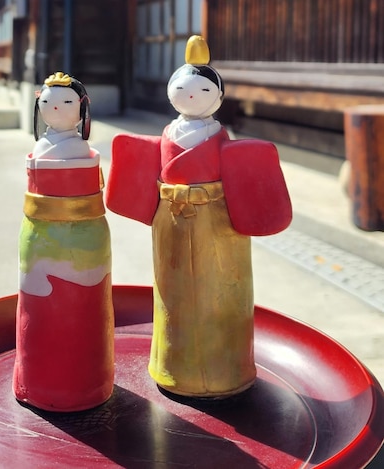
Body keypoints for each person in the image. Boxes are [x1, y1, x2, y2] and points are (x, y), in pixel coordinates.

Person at [105, 36, 292, 398]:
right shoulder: (170, 135)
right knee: (171, 292)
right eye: (182, 87)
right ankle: (171, 366)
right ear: (171, 91)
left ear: (218, 98)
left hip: (217, 221)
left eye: (202, 88)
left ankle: (228, 369)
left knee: (221, 291)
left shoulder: (217, 137)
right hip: (170, 221)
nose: (191, 94)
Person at [13, 72, 114, 412]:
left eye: (67, 102)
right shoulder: (58, 148)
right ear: (39, 103)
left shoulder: (79, 149)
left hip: (81, 232)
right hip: (40, 231)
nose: (56, 107)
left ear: (81, 108)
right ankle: (36, 382)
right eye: (48, 102)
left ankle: (84, 384)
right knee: (40, 313)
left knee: (82, 308)